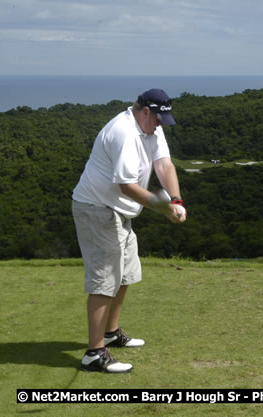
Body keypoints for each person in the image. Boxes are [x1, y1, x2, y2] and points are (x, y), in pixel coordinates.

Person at [71, 88, 187, 373]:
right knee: (105, 279)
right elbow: (126, 185)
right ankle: (94, 354)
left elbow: (164, 164)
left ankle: (111, 333)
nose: (161, 125)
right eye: (158, 119)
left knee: (125, 273)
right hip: (96, 209)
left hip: (119, 210)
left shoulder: (152, 128)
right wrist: (161, 209)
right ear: (145, 110)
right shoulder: (123, 132)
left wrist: (175, 200)